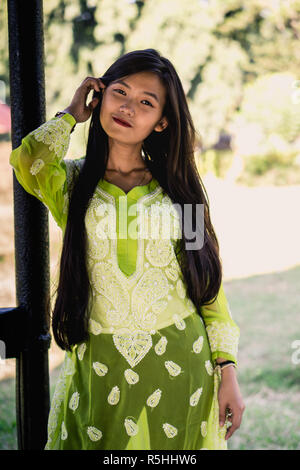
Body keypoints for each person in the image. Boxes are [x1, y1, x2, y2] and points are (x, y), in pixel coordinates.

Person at [9, 48, 245, 450]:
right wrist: (71, 115)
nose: (128, 107)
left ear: (161, 122)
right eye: (120, 92)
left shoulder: (179, 192)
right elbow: (28, 161)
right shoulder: (72, 185)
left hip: (180, 363)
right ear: (100, 95)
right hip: (99, 361)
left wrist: (227, 370)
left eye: (146, 103)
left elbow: (207, 286)